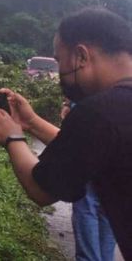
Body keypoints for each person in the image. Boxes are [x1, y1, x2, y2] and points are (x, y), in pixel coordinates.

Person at [0, 7, 132, 259]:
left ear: (81, 56)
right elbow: (85, 149)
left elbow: (41, 189)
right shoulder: (113, 113)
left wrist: (12, 137)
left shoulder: (99, 111)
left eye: (59, 60)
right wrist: (32, 122)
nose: (58, 72)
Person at [59, 98, 117, 261]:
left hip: (92, 116)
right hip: (118, 125)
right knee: (108, 204)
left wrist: (69, 103)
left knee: (86, 200)